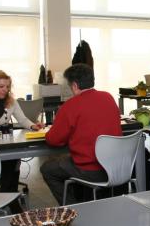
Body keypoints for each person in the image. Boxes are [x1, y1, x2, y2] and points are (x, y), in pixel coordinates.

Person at [41, 64, 122, 205]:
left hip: (90, 170)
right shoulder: (108, 97)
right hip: (116, 166)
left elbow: (53, 140)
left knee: (48, 169)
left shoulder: (69, 106)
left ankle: (74, 208)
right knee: (69, 161)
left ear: (74, 85)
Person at [0, 70, 44, 194]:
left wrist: (33, 126)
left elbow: (22, 119)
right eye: (1, 86)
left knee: (12, 160)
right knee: (0, 167)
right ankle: (0, 196)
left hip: (6, 143)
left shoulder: (11, 101)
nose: (5, 90)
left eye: (7, 87)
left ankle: (10, 195)